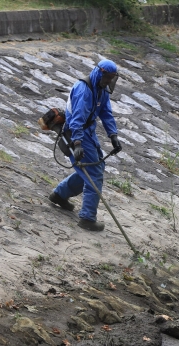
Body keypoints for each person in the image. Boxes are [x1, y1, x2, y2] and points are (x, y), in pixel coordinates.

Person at [48, 59, 122, 232]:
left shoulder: (102, 90)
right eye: (107, 77)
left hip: (88, 132)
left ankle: (60, 195)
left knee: (94, 167)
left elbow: (106, 113)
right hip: (76, 133)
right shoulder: (84, 90)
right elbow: (77, 120)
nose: (109, 81)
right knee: (93, 173)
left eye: (112, 78)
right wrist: (78, 143)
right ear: (100, 73)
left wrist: (113, 136)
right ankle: (87, 218)